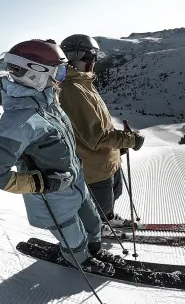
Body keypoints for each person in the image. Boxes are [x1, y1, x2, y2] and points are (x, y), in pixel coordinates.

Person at [0, 38, 119, 275]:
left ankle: (94, 250)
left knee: (93, 224)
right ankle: (79, 259)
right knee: (74, 239)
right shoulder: (16, 122)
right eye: (59, 71)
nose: (61, 78)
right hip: (53, 197)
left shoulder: (48, 102)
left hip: (77, 184)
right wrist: (42, 183)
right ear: (35, 74)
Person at [57, 34, 144, 236]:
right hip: (93, 165)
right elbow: (96, 137)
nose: (94, 62)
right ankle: (94, 230)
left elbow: (99, 126)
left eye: (94, 57)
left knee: (114, 195)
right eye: (90, 57)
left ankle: (107, 218)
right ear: (74, 57)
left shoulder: (84, 82)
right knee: (99, 205)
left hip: (106, 159)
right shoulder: (71, 88)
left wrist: (118, 146)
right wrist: (129, 140)